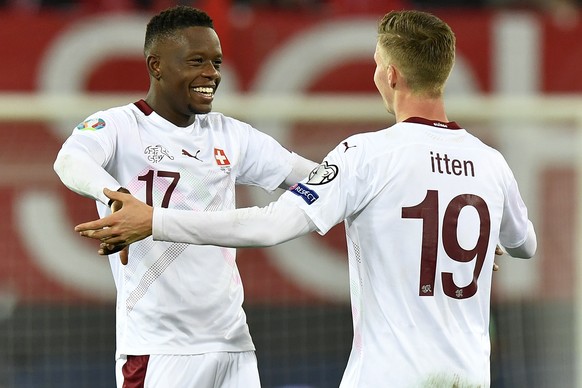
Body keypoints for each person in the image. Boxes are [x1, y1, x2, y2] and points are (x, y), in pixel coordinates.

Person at [75, 10, 537, 387]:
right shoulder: (490, 162)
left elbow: (275, 223)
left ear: (391, 74)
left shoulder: (366, 155)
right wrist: (469, 230)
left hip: (381, 376)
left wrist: (154, 220)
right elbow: (526, 245)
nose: (211, 73)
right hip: (470, 376)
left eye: (377, 63)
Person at [53, 5, 317, 388]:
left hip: (233, 346)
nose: (212, 74)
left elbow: (310, 178)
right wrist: (114, 195)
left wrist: (362, 178)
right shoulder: (119, 126)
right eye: (197, 61)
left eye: (216, 62)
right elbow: (70, 159)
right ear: (156, 65)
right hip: (159, 350)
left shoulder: (230, 134)